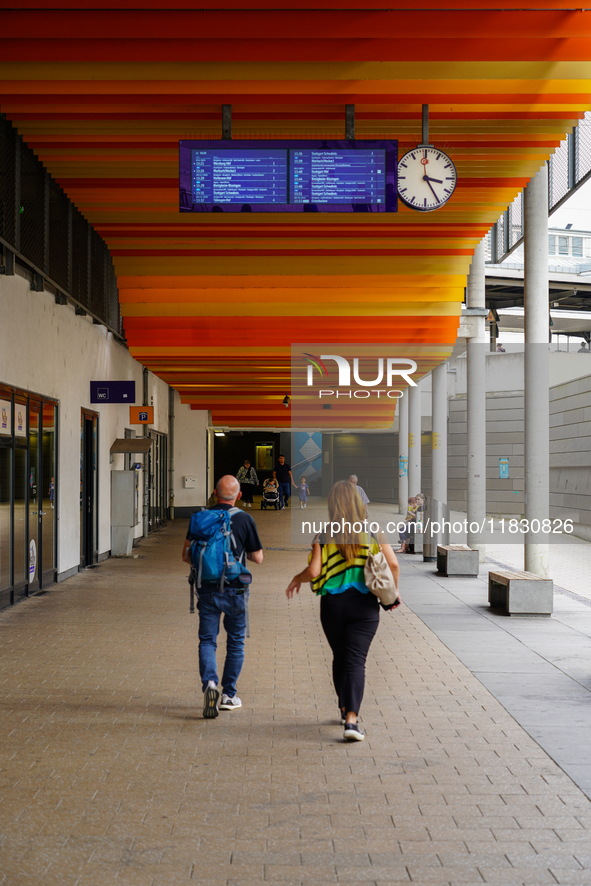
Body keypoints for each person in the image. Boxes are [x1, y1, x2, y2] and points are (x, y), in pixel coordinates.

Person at [286, 480, 400, 742]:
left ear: (332, 505)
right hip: (365, 606)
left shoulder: (324, 535)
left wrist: (297, 578)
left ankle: (343, 707)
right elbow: (392, 565)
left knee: (341, 656)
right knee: (355, 660)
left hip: (333, 606)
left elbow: (314, 572)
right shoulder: (373, 531)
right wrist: (393, 592)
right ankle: (351, 719)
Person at [182, 476, 263, 718]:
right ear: (239, 496)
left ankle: (210, 684)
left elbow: (186, 555)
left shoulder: (200, 519)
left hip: (206, 588)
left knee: (208, 640)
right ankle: (229, 695)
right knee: (236, 641)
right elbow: (257, 558)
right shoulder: (245, 519)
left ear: (215, 493)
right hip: (236, 589)